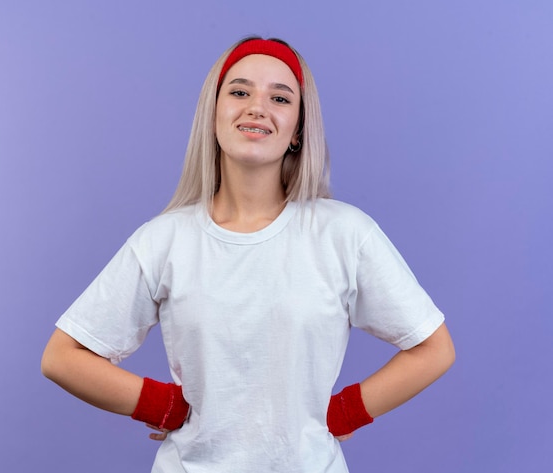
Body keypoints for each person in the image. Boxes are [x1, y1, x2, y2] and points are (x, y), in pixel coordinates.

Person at [41, 37, 455, 473]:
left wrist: (345, 412)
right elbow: (62, 357)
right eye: (239, 92)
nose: (258, 107)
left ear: (297, 129)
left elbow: (433, 348)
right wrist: (163, 406)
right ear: (213, 113)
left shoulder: (343, 233)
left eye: (280, 97)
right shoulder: (164, 240)